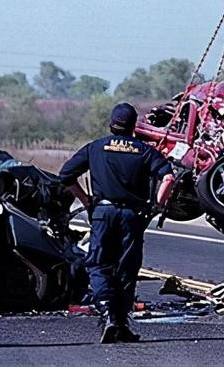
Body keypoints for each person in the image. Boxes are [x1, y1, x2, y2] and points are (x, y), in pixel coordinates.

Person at [59, 102, 174, 344]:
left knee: (98, 265)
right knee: (126, 269)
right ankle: (120, 322)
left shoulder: (95, 147)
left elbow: (66, 174)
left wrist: (85, 200)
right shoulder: (144, 150)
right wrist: (158, 203)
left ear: (111, 124)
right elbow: (168, 177)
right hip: (132, 217)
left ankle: (110, 316)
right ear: (134, 127)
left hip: (103, 213)